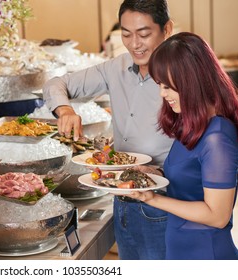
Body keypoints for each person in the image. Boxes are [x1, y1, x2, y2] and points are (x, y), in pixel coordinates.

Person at [43, 0, 174, 259]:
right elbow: (55, 84)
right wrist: (65, 110)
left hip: (164, 202)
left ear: (166, 29)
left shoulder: (181, 73)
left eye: (144, 34)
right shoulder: (116, 68)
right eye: (126, 34)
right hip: (123, 199)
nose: (135, 44)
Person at [127, 32, 238, 260]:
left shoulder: (217, 137)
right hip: (181, 248)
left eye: (168, 86)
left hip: (206, 254)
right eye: (160, 84)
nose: (162, 93)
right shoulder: (195, 123)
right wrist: (153, 173)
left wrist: (153, 198)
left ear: (192, 82)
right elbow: (191, 176)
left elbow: (217, 215)